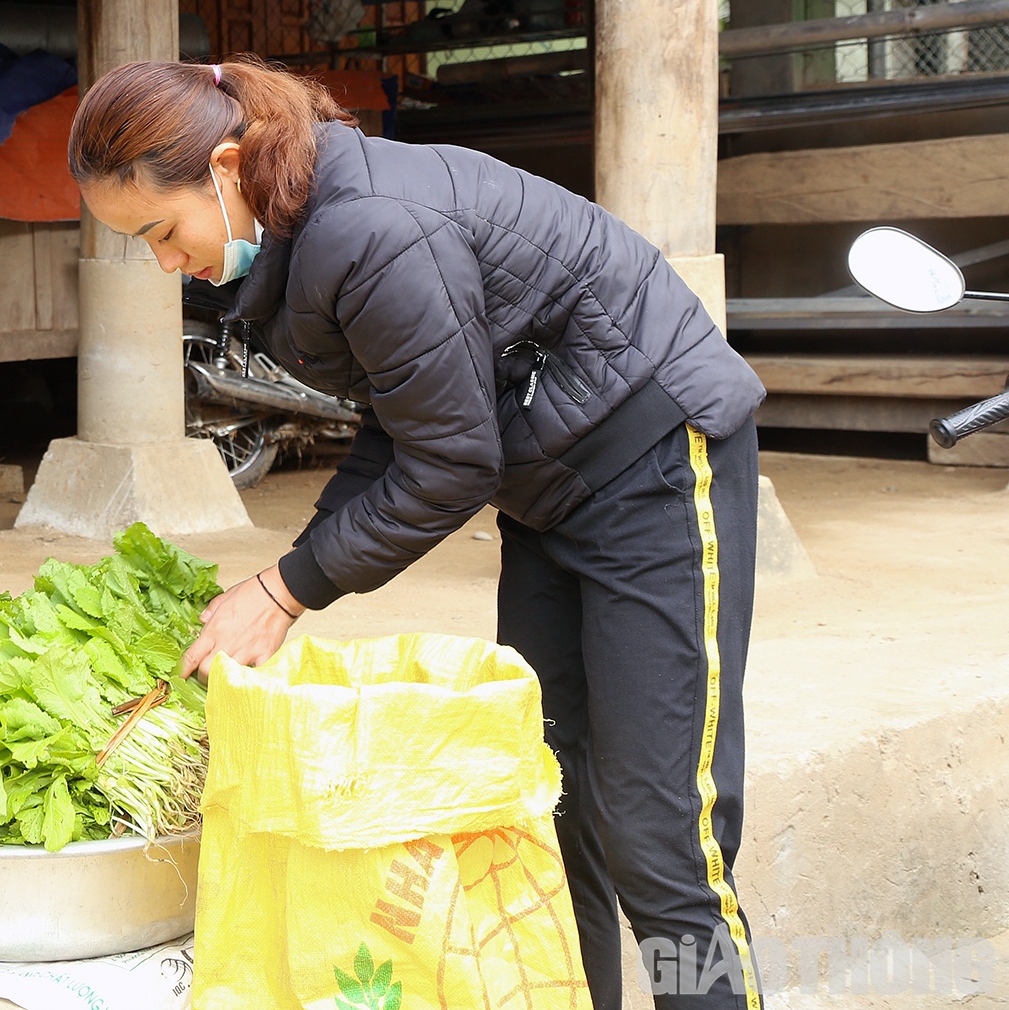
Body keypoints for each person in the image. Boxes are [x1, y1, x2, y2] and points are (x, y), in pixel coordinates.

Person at [70, 56, 767, 1010]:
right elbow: (405, 424)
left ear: (225, 167)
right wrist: (288, 576)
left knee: (660, 834)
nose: (162, 262)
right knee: (546, 797)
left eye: (160, 230)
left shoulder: (369, 228)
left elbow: (449, 465)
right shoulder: (304, 225)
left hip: (655, 459)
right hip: (551, 489)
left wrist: (286, 589)